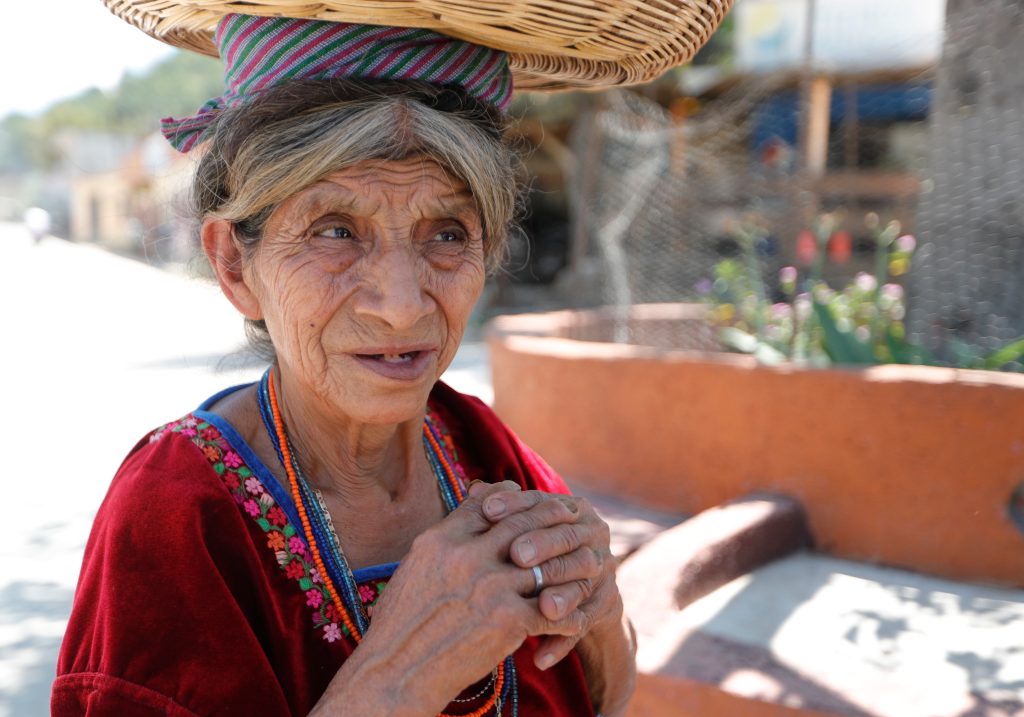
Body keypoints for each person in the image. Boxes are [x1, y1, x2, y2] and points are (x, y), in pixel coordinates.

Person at [53, 4, 728, 716]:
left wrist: (599, 609)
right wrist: (403, 673)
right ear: (235, 265)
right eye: (336, 230)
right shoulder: (176, 518)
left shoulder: (475, 445)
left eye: (447, 233)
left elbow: (610, 693)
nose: (403, 305)